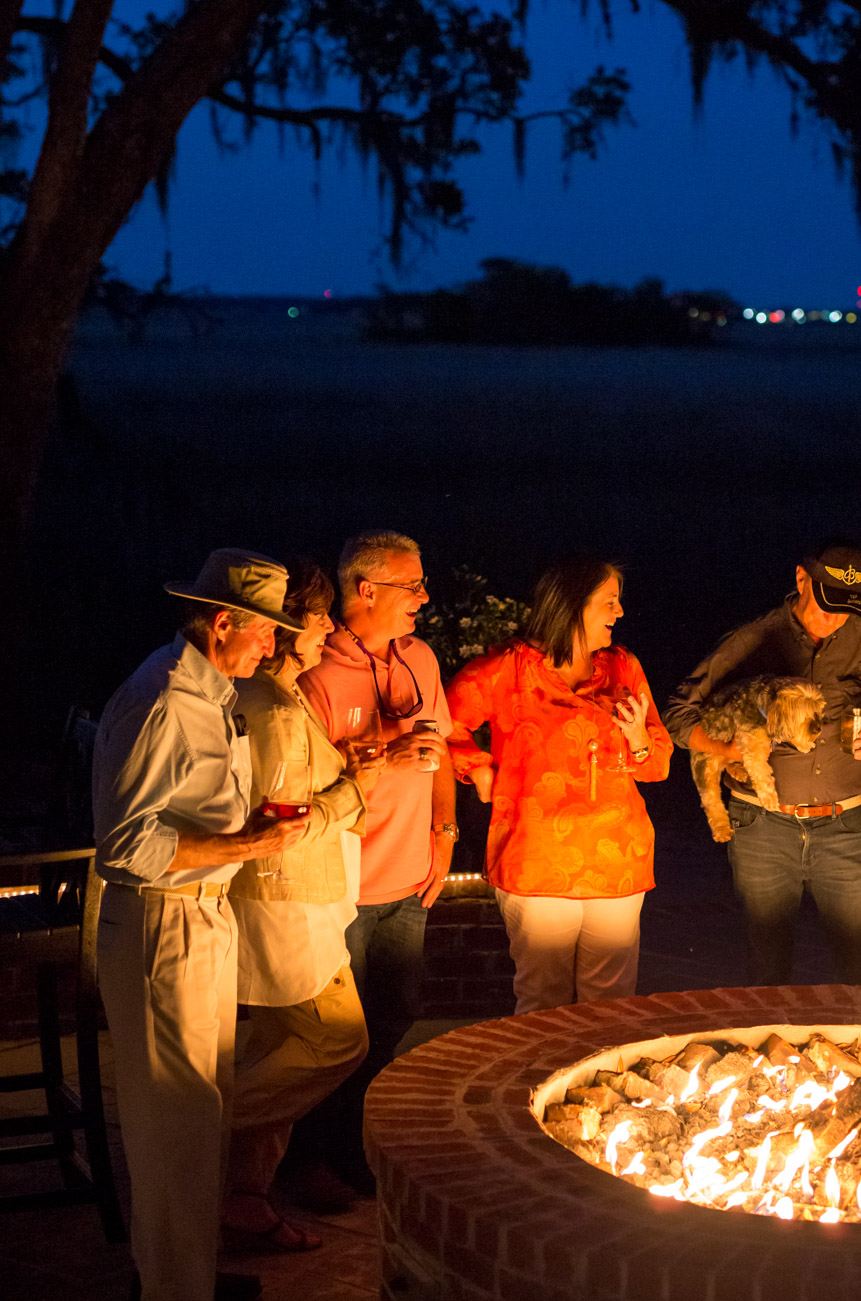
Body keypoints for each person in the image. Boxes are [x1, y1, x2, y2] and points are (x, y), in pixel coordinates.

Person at [93, 550, 308, 1301]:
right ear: (224, 624)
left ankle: (179, 1276)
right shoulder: (160, 701)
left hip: (204, 915)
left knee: (200, 1114)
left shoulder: (212, 696)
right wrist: (244, 841)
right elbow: (127, 844)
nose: (272, 650)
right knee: (174, 1120)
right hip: (162, 925)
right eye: (265, 634)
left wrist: (242, 832)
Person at [664, 543, 861, 987]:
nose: (836, 618)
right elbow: (678, 715)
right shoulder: (754, 639)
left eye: (847, 607)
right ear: (801, 580)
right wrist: (729, 750)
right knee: (769, 970)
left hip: (845, 826)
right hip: (762, 826)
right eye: (828, 602)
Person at [225, 559, 380, 1243]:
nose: (326, 628)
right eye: (316, 617)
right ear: (286, 628)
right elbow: (284, 823)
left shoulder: (276, 700)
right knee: (337, 1038)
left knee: (273, 1046)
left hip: (296, 899)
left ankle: (243, 1201)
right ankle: (195, 1128)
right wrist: (359, 786)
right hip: (292, 903)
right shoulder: (276, 713)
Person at [296, 530, 456, 1190]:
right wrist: (381, 750)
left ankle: (353, 1143)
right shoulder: (317, 675)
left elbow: (440, 749)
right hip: (344, 889)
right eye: (410, 585)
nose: (423, 596)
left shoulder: (419, 658)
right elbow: (303, 780)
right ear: (367, 590)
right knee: (334, 1036)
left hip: (409, 880)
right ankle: (309, 1158)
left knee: (395, 1014)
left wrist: (444, 833)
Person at [446, 558, 672, 1013]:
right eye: (609, 601)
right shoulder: (507, 669)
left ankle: (600, 1084)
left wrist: (640, 741)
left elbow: (658, 766)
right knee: (542, 1002)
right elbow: (440, 723)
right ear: (571, 605)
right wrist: (477, 768)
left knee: (609, 1006)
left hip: (617, 863)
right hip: (537, 862)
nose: (620, 612)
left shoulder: (623, 668)